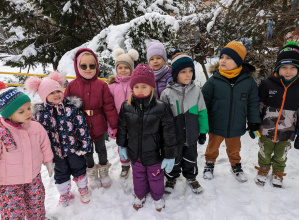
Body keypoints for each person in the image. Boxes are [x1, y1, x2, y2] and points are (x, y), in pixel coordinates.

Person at [25, 72, 93, 206]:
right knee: (61, 174)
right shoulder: (40, 116)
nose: (57, 94)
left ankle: (83, 189)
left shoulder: (72, 110)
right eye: (52, 93)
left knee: (79, 169)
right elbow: (37, 136)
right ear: (44, 97)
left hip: (74, 149)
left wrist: (85, 146)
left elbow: (82, 127)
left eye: (58, 91)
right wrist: (42, 155)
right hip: (55, 153)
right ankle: (64, 194)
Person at [116, 64, 177, 212]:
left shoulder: (161, 108)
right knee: (138, 176)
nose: (140, 90)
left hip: (155, 154)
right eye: (136, 87)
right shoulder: (126, 107)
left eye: (144, 86)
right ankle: (140, 194)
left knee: (156, 177)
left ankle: (157, 196)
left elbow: (168, 133)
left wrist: (169, 156)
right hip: (134, 153)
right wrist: (122, 145)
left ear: (151, 87)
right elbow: (122, 128)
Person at [202, 41, 261, 182]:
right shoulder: (214, 80)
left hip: (237, 122)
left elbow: (253, 103)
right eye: (222, 57)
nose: (223, 60)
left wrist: (254, 122)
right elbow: (203, 103)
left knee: (234, 149)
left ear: (238, 62)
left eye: (229, 58)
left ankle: (235, 165)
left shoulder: (248, 82)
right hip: (216, 122)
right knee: (212, 147)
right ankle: (209, 163)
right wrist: (202, 125)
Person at [64, 48, 118, 189]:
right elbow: (67, 109)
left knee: (101, 148)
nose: (88, 69)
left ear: (96, 66)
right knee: (87, 151)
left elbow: (109, 106)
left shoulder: (102, 85)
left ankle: (103, 170)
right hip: (81, 126)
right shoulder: (72, 86)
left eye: (92, 66)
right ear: (77, 66)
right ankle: (92, 172)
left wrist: (114, 124)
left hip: (98, 124)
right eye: (84, 66)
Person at [0, 87, 54, 219]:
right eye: (21, 111)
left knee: (36, 203)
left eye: (29, 108)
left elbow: (44, 144)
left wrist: (48, 161)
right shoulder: (2, 132)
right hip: (9, 183)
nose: (28, 113)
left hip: (33, 176)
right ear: (9, 114)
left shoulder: (35, 126)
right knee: (12, 212)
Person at [160, 50, 209, 194]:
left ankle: (191, 177)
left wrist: (202, 131)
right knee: (173, 158)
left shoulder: (196, 91)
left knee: (191, 157)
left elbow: (202, 111)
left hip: (191, 134)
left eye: (190, 71)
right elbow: (163, 117)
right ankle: (171, 177)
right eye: (183, 71)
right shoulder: (166, 93)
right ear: (175, 74)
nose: (188, 75)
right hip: (174, 136)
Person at [255, 41, 299, 188]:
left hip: (287, 131)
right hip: (267, 130)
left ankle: (278, 173)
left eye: (293, 68)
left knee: (281, 155)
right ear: (277, 68)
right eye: (284, 67)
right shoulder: (268, 84)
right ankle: (263, 169)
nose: (288, 71)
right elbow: (259, 105)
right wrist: (254, 123)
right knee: (264, 151)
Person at [107, 48, 139, 178]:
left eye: (126, 67)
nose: (123, 70)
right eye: (120, 67)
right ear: (116, 69)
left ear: (131, 69)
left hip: (135, 122)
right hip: (119, 123)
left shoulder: (135, 85)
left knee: (135, 144)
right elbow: (109, 108)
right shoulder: (112, 87)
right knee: (122, 146)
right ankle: (125, 165)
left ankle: (136, 164)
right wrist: (111, 126)